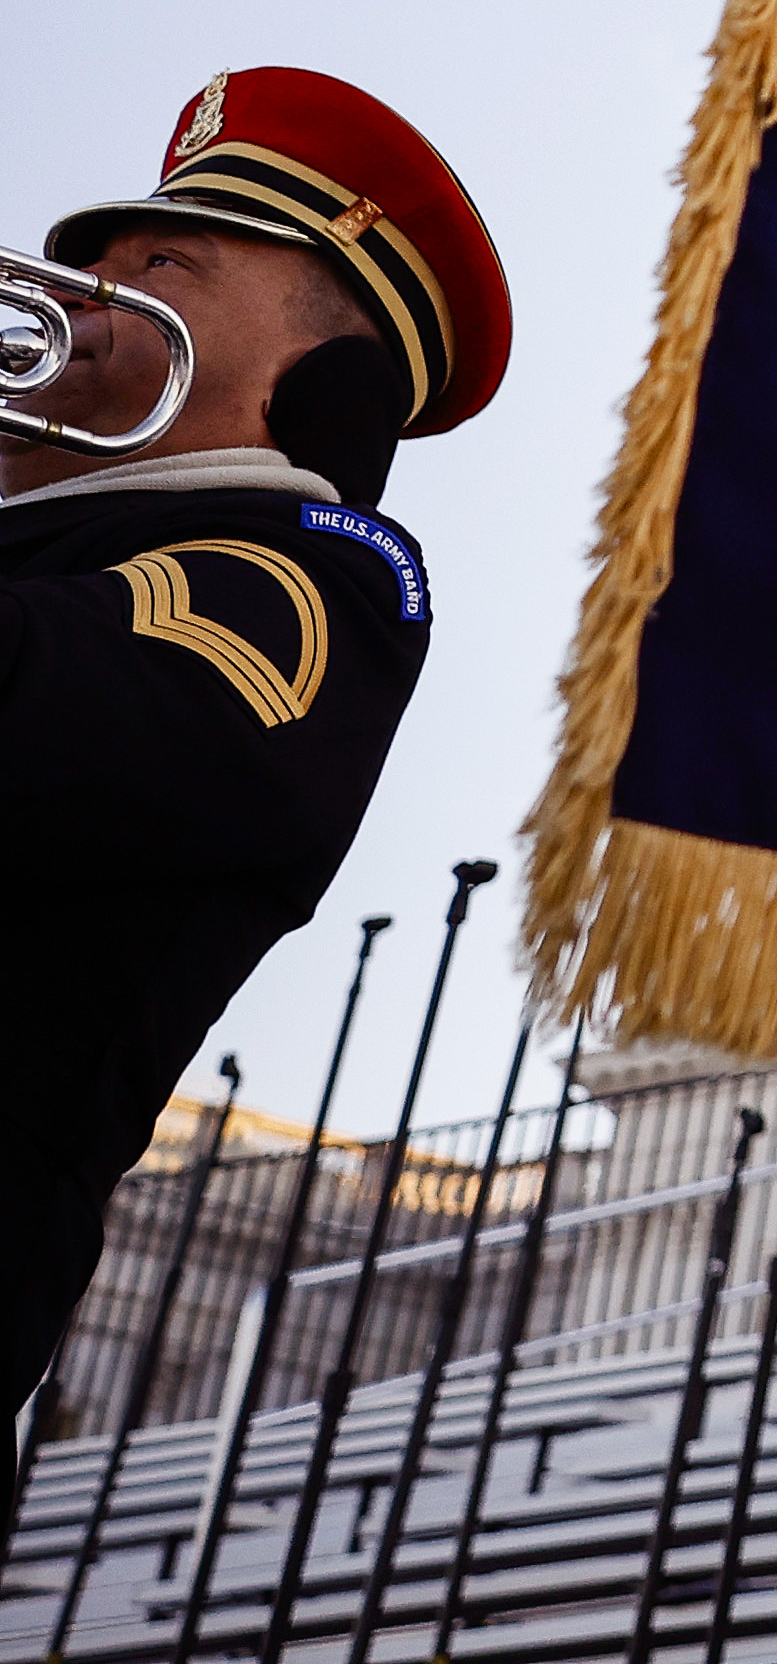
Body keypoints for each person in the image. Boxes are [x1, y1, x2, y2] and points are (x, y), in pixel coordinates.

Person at [1, 71, 500, 1415]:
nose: (82, 294)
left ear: (309, 375)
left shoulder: (299, 577)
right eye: (90, 263)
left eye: (159, 262)